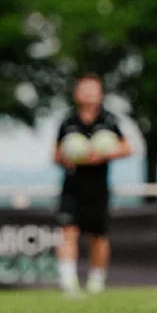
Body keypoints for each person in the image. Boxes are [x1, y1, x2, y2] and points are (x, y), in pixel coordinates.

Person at [53, 73, 133, 297]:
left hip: (98, 187)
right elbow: (55, 155)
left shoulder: (109, 121)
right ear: (76, 94)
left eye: (93, 90)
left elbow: (127, 148)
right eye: (84, 90)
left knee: (98, 235)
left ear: (100, 94)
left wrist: (104, 154)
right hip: (71, 187)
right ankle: (68, 283)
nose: (88, 94)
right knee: (68, 232)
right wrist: (70, 156)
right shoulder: (67, 122)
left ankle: (96, 282)